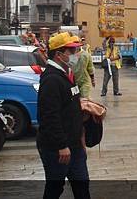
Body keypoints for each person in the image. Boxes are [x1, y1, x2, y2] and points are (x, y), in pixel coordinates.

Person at [36, 32, 89, 199]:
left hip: (74, 145)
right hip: (57, 149)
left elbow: (71, 108)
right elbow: (49, 116)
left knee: (82, 187)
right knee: (55, 188)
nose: (75, 55)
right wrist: (61, 145)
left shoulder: (66, 74)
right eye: (71, 52)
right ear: (59, 55)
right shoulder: (51, 79)